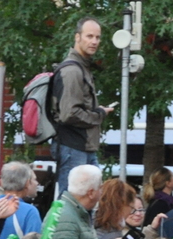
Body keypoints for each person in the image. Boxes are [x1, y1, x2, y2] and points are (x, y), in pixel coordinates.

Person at [50, 18, 112, 194]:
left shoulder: (82, 67)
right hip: (72, 146)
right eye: (89, 36)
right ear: (77, 37)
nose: (94, 41)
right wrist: (99, 114)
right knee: (71, 202)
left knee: (89, 199)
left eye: (98, 37)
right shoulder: (72, 71)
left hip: (81, 147)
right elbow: (69, 114)